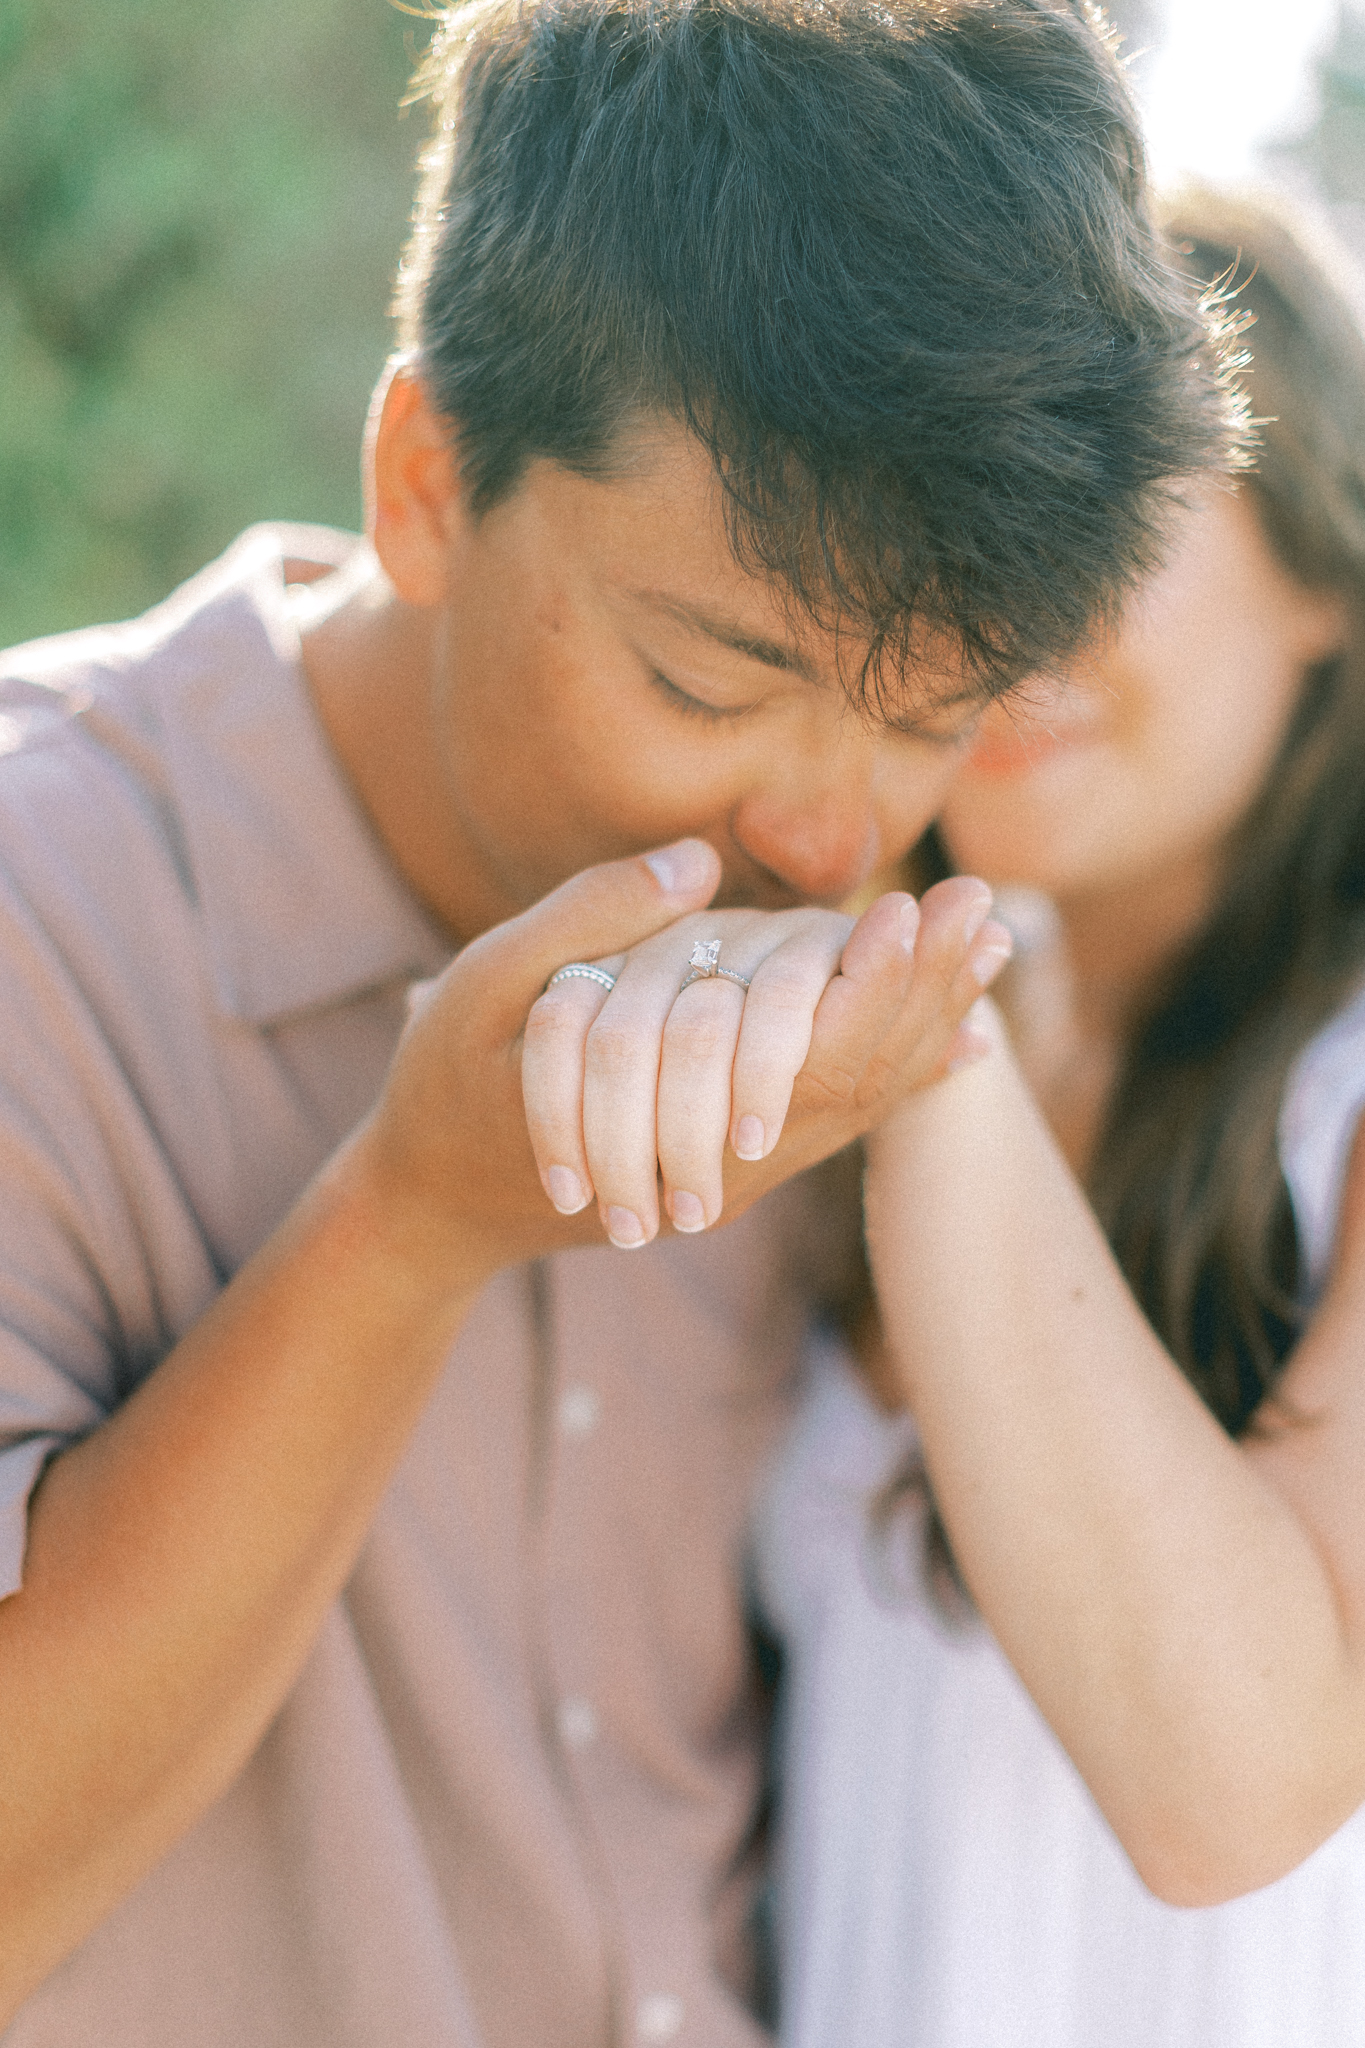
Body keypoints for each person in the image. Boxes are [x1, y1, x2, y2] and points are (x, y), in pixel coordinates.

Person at [0, 0, 1235, 2038]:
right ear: (423, 477)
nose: (826, 827)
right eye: (705, 681)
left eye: (928, 711)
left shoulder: (901, 945)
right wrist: (415, 1220)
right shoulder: (46, 906)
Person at [741, 187, 1365, 2047]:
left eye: (1099, 506)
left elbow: (1224, 1793)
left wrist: (930, 1035)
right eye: (943, 519)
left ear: (1323, 558)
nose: (999, 609)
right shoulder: (855, 1027)